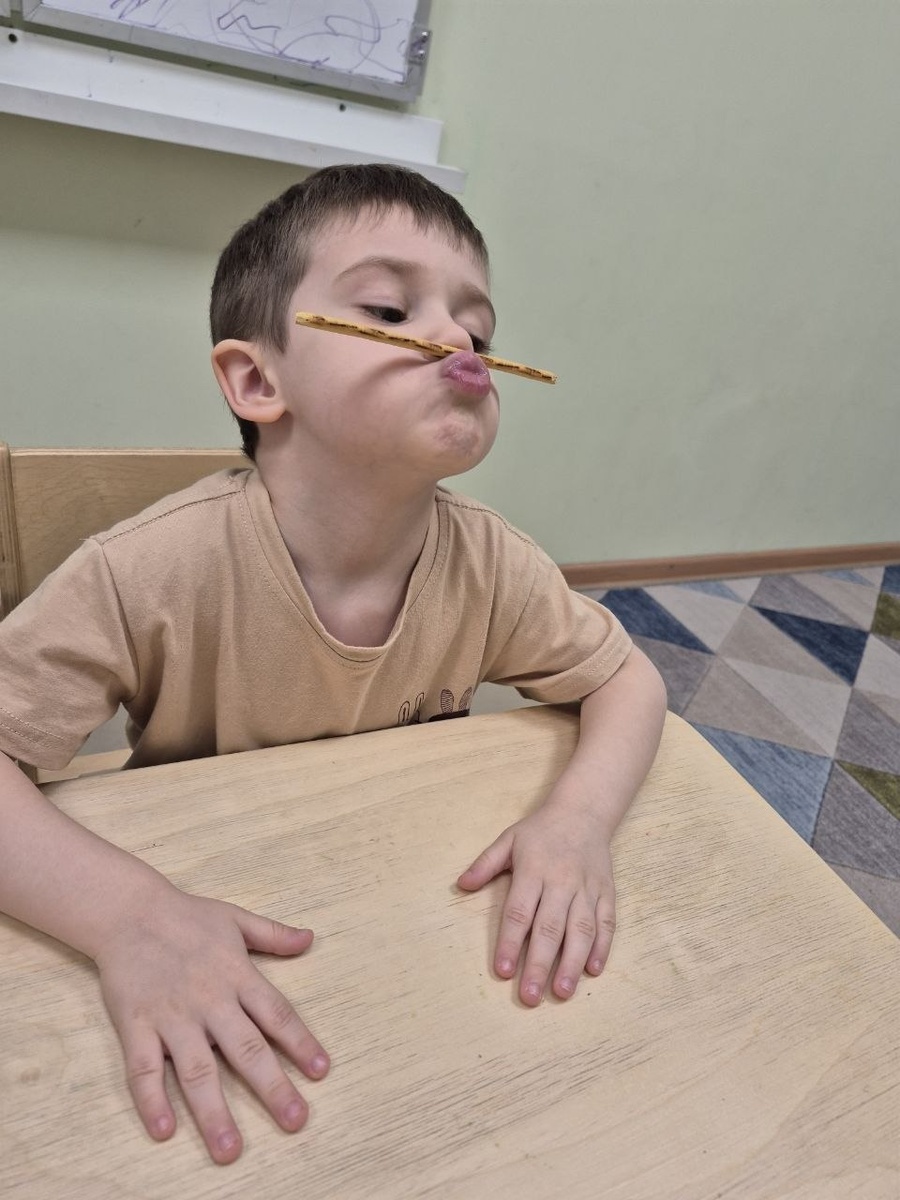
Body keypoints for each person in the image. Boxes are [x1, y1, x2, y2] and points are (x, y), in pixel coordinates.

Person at [0, 164, 667, 1165]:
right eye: (392, 310)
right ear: (257, 382)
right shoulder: (150, 568)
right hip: (206, 930)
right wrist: (125, 917)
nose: (457, 343)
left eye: (480, 330)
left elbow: (628, 679)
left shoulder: (493, 564)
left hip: (399, 941)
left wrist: (576, 820)